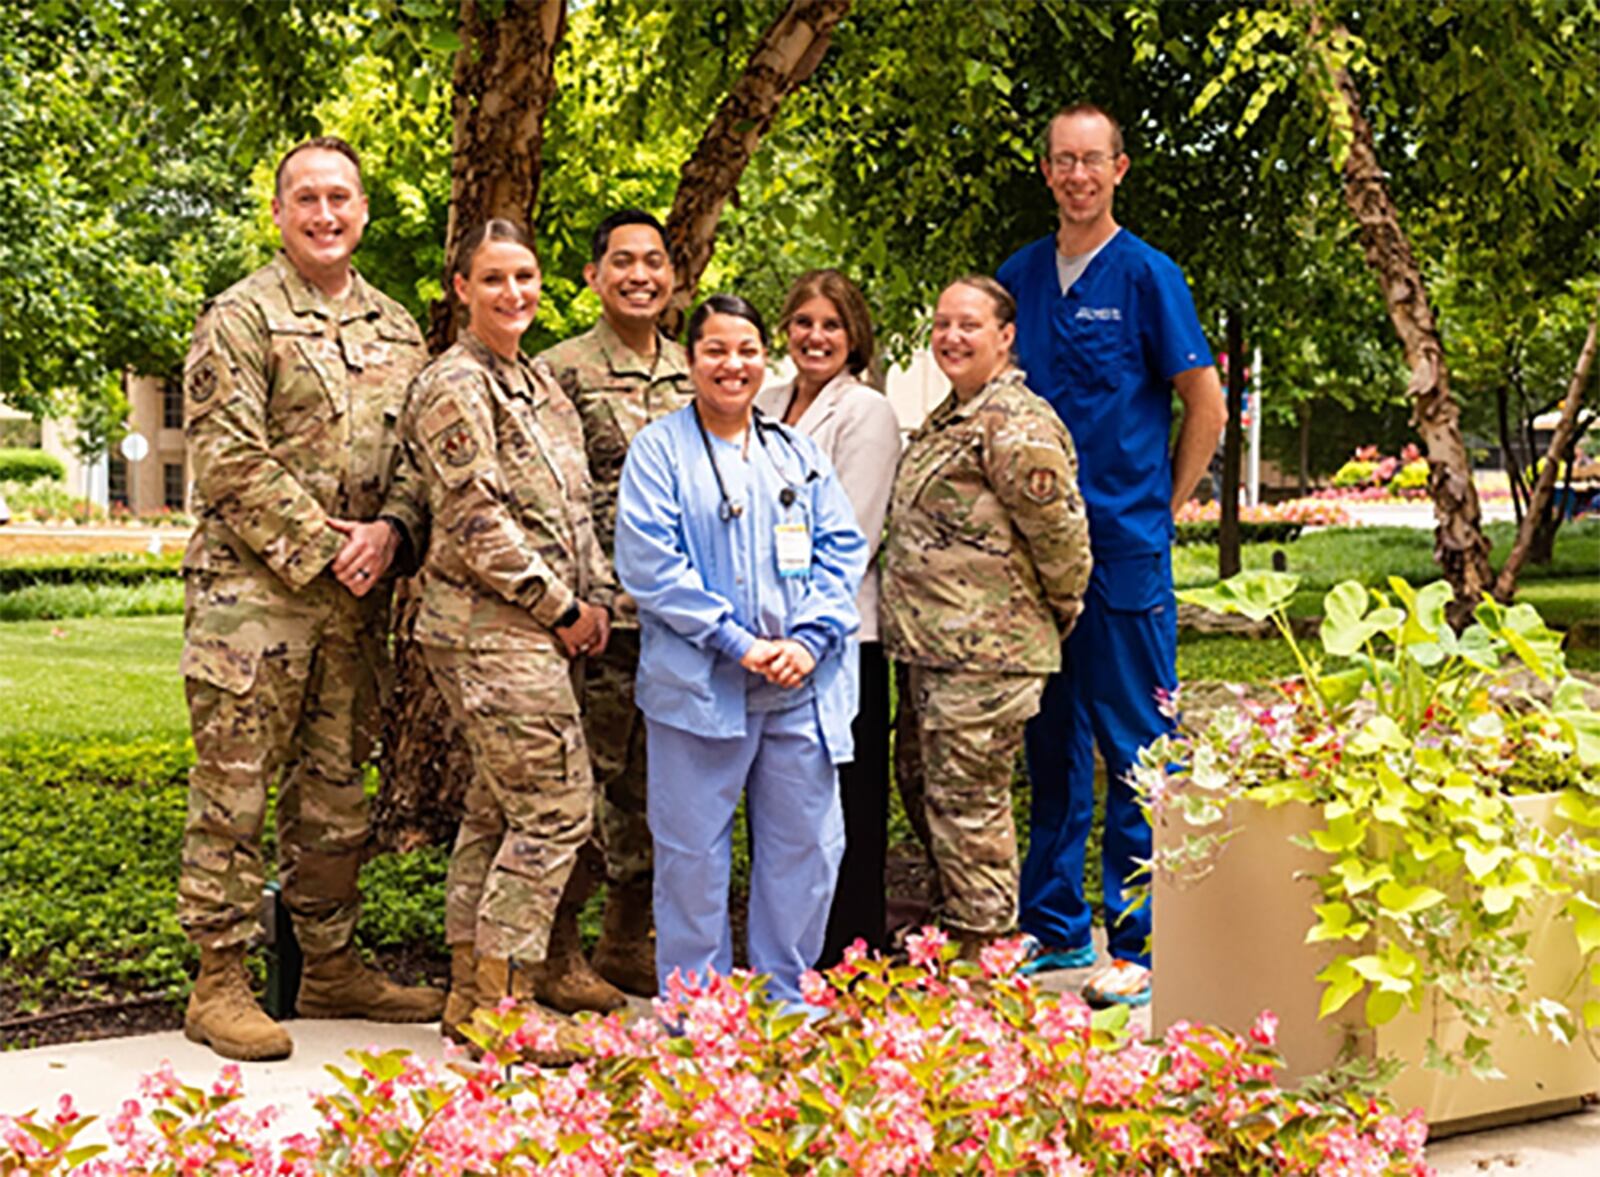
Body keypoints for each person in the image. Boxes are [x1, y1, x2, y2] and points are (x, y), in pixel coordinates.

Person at [177, 136, 444, 1062]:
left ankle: (329, 963)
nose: (325, 214)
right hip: (253, 599)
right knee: (235, 789)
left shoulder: (400, 328)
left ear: (364, 210)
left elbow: (422, 461)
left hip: (357, 600)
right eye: (306, 199)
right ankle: (218, 979)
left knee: (337, 793)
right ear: (280, 213)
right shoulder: (241, 317)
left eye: (341, 198)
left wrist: (394, 533)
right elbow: (228, 460)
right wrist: (330, 546)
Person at [998, 103, 1226, 1007]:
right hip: (1033, 566)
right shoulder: (1020, 277)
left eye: (1094, 160)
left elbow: (1202, 403)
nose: (1078, 175)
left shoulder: (1148, 275)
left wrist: (1164, 509)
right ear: (1047, 171)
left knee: (1135, 744)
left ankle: (1139, 939)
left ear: (1119, 169)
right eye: (1064, 161)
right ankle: (1055, 931)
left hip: (1125, 551)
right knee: (1049, 743)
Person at [614, 294, 867, 1009]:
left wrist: (810, 640)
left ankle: (785, 997)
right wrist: (738, 640)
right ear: (690, 360)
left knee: (807, 852)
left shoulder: (797, 453)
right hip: (701, 687)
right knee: (691, 859)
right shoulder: (658, 452)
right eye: (716, 350)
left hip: (797, 688)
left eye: (748, 350)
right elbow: (651, 566)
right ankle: (700, 1009)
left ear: (766, 358)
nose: (734, 365)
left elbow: (841, 549)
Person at [403, 218, 613, 1063]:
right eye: (493, 279)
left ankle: (467, 990)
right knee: (558, 808)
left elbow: (574, 509)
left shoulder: (538, 384)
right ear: (461, 289)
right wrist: (561, 606)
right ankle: (507, 1001)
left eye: (524, 276)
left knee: (498, 809)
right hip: (490, 628)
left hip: (538, 627)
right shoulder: (456, 384)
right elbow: (474, 519)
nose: (513, 293)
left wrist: (598, 601)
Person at [881, 275, 1091, 958]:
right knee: (931, 790)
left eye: (969, 325)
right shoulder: (955, 415)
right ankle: (953, 929)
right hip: (936, 651)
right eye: (942, 324)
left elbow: (1060, 535)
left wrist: (1056, 608)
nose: (951, 337)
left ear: (1005, 336)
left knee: (969, 805)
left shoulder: (1013, 422)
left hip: (986, 656)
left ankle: (985, 951)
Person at [539, 210, 693, 1005]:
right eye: (623, 261)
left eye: (655, 261)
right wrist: (574, 599)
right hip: (596, 619)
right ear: (594, 277)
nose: (640, 275)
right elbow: (547, 496)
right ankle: (556, 947)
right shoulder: (557, 371)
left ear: (674, 276)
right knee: (580, 785)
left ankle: (626, 939)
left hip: (677, 624)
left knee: (655, 786)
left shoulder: (696, 368)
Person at [754, 270, 900, 963]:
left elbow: (854, 535)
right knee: (784, 805)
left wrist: (796, 621)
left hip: (840, 635)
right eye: (805, 321)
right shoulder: (765, 399)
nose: (816, 336)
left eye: (832, 325)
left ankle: (851, 949)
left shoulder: (865, 412)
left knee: (846, 803)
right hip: (762, 637)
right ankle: (788, 947)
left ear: (854, 335)